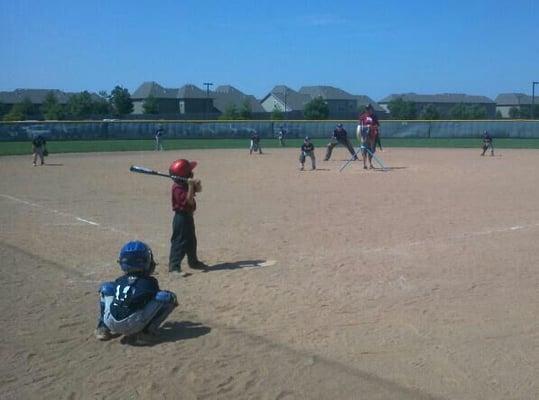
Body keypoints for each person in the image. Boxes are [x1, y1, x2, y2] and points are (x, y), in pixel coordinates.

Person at [95, 241, 178, 344]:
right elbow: (155, 299)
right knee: (167, 297)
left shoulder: (120, 280)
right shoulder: (149, 281)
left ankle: (102, 328)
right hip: (133, 325)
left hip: (110, 321)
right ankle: (146, 333)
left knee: (106, 288)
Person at [168, 159, 208, 276]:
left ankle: (193, 262)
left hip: (188, 216)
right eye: (190, 171)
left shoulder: (185, 183)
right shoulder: (177, 188)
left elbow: (199, 190)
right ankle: (174, 267)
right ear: (184, 174)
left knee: (191, 240)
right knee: (180, 241)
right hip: (181, 218)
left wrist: (196, 184)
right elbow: (189, 201)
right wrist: (190, 186)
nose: (192, 173)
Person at [357, 104, 380, 169]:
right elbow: (359, 126)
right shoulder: (362, 117)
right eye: (367, 109)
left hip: (372, 136)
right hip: (364, 136)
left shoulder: (374, 117)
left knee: (371, 150)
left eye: (369, 109)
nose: (368, 110)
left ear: (371, 109)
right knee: (364, 150)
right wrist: (364, 127)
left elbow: (377, 126)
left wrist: (372, 127)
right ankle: (364, 164)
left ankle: (370, 163)